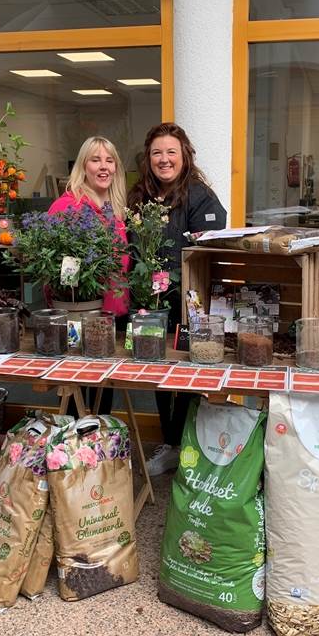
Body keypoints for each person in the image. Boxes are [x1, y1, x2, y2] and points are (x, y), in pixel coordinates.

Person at [128, 122, 227, 476]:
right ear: (148, 158)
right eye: (157, 153)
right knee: (155, 368)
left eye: (171, 152)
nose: (164, 159)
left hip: (188, 300)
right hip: (150, 302)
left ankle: (184, 443)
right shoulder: (139, 195)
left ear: (185, 155)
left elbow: (212, 244)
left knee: (187, 372)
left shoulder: (200, 196)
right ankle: (170, 441)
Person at [48, 136, 130, 414]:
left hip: (110, 321)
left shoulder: (114, 210)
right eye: (96, 159)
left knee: (100, 403)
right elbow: (57, 273)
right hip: (80, 323)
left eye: (110, 160)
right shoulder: (68, 207)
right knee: (76, 406)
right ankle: (71, 456)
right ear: (83, 166)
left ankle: (97, 454)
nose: (104, 166)